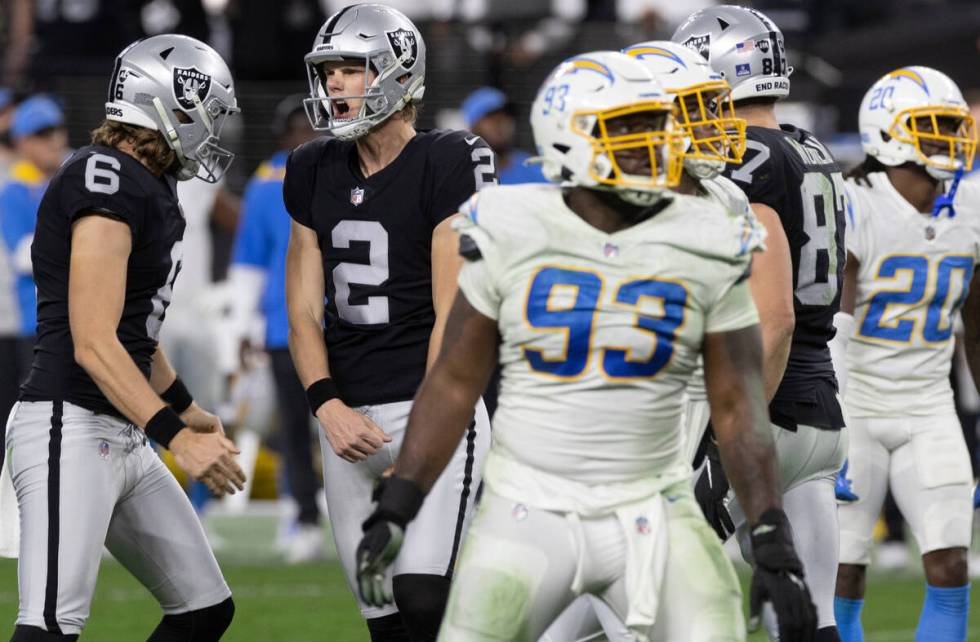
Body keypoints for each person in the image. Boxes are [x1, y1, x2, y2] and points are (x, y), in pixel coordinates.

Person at [354, 50, 817, 642]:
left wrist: (771, 532)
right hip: (529, 510)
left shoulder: (712, 231)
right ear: (573, 138)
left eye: (655, 123)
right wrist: (400, 501)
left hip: (657, 504)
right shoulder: (510, 224)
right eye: (633, 126)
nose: (660, 139)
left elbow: (737, 402)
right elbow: (452, 381)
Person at [4, 34, 244, 640]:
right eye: (202, 110)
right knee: (51, 627)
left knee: (204, 608)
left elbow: (136, 333)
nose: (210, 126)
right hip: (70, 424)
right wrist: (175, 439)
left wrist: (187, 409)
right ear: (161, 105)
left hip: (120, 426)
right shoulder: (105, 178)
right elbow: (92, 340)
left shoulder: (149, 184)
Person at [284, 5, 495, 641]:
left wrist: (429, 423)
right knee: (387, 622)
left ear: (400, 76)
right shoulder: (311, 166)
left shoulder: (448, 159)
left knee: (423, 597)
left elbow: (453, 316)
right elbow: (300, 308)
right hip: (345, 423)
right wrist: (327, 405)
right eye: (330, 72)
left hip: (434, 407)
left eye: (353, 69)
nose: (336, 86)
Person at [536, 39, 754, 642]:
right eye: (692, 109)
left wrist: (716, 455)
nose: (712, 124)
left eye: (712, 106)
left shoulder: (726, 200)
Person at [673, 7, 848, 641]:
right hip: (819, 406)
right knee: (807, 619)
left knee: (645, 594)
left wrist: (729, 432)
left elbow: (771, 315)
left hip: (760, 403)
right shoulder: (812, 144)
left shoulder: (743, 155)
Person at [832, 66, 979, 642]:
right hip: (858, 402)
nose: (952, 139)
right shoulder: (853, 202)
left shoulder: (969, 205)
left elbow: (979, 324)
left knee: (950, 564)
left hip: (929, 405)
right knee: (844, 570)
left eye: (953, 126)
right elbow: (833, 327)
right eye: (934, 126)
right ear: (887, 133)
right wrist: (833, 427)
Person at [223, 93, 324, 563]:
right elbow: (249, 263)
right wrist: (241, 332)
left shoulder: (340, 170)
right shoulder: (267, 186)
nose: (305, 135)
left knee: (356, 425)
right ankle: (303, 516)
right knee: (295, 433)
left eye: (312, 126)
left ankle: (362, 514)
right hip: (287, 329)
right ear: (284, 136)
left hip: (344, 324)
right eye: (297, 128)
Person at [0, 95, 69, 470]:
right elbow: (23, 254)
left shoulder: (70, 180)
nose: (54, 139)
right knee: (42, 426)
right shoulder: (13, 190)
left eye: (57, 130)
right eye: (42, 134)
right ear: (23, 142)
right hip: (38, 325)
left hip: (84, 321)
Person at [460, 86, 547, 186]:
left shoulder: (535, 169)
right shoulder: (456, 177)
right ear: (473, 127)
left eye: (506, 116)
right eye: (492, 118)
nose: (501, 123)